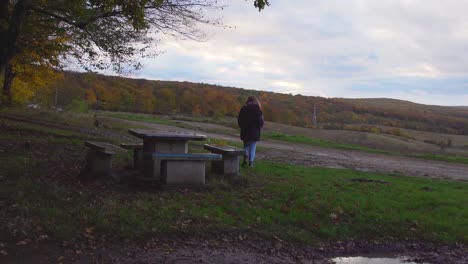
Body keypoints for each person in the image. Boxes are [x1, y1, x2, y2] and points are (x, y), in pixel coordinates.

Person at [237, 96, 264, 167]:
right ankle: (251, 162)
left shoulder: (243, 109)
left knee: (245, 146)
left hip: (245, 131)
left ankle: (245, 159)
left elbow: (239, 120)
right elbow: (261, 122)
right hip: (254, 132)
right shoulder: (258, 110)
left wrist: (242, 127)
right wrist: (259, 128)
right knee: (252, 147)